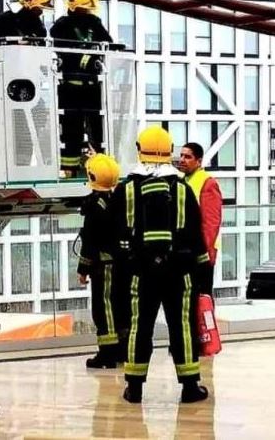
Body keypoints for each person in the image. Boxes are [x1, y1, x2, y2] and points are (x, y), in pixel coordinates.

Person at [111, 125, 213, 404]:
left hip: (139, 272)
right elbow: (196, 235)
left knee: (138, 326)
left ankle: (134, 387)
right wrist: (203, 274)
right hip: (180, 273)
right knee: (182, 326)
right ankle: (190, 386)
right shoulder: (182, 189)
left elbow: (116, 235)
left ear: (139, 150)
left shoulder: (126, 189)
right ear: (169, 153)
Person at [50, 0, 113, 176]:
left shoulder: (94, 23)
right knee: (71, 132)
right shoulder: (62, 26)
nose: (88, 11)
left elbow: (108, 44)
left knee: (99, 130)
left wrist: (93, 58)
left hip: (93, 87)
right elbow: (64, 51)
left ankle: (101, 167)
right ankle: (70, 169)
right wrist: (86, 58)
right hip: (70, 88)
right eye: (86, 8)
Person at [76, 153, 122, 368]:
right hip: (121, 262)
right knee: (120, 306)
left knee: (103, 308)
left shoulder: (95, 205)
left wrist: (83, 268)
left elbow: (90, 239)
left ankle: (108, 353)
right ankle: (121, 350)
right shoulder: (117, 199)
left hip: (103, 265)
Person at [178, 143, 223, 291]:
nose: (182, 160)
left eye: (188, 157)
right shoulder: (183, 181)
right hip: (187, 253)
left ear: (199, 161)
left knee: (202, 300)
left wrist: (203, 254)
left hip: (201, 254)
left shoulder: (207, 183)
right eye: (181, 156)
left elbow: (211, 223)